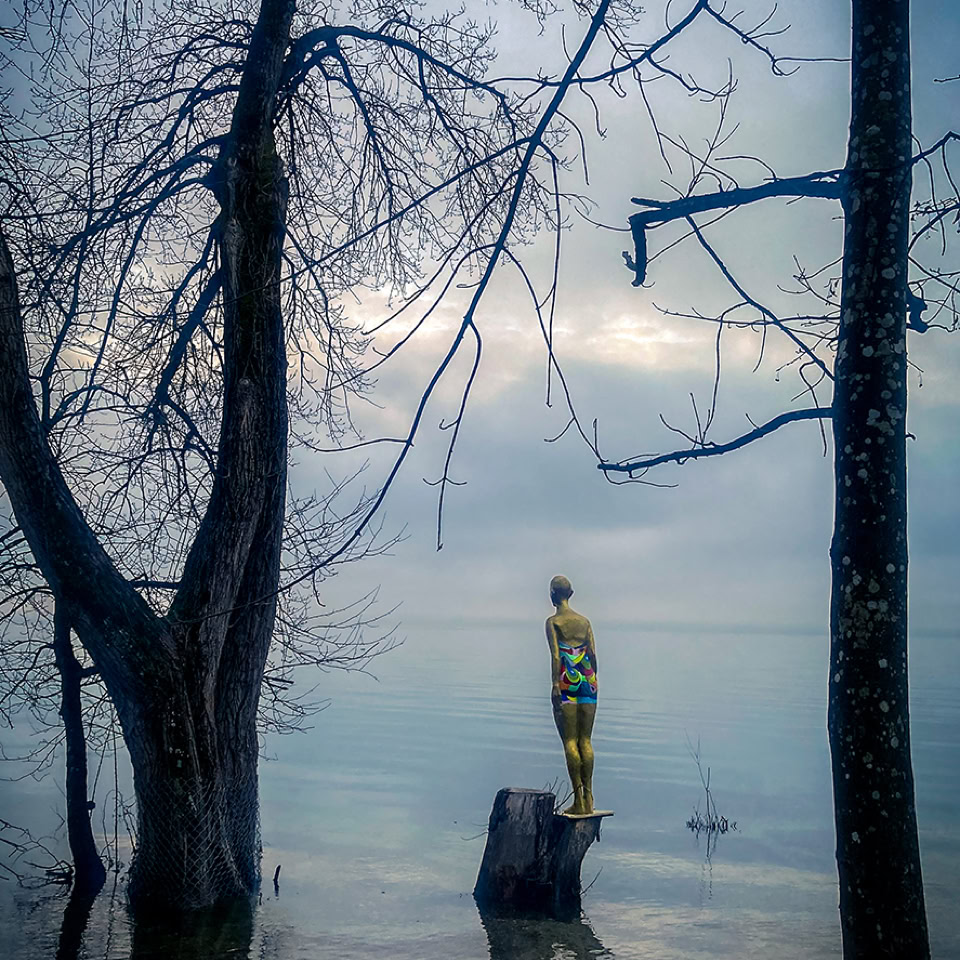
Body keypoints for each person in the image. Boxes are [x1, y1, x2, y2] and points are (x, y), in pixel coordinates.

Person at [545, 575, 598, 815]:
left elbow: (556, 655)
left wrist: (555, 683)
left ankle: (578, 800)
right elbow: (594, 656)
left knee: (569, 741)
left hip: (567, 678)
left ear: (553, 595)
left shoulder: (553, 622)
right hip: (588, 679)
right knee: (585, 740)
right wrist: (591, 679)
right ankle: (589, 797)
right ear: (572, 593)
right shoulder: (585, 622)